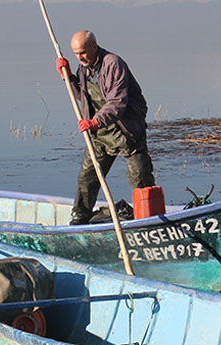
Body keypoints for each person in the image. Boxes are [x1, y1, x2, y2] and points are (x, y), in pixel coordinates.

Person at [56, 30, 155, 225]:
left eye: (83, 52)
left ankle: (150, 220)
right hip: (99, 135)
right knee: (87, 177)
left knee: (140, 179)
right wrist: (67, 77)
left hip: (126, 131)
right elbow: (83, 96)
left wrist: (94, 122)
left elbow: (117, 102)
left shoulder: (113, 64)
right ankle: (80, 219)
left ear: (94, 46)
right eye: (76, 53)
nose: (79, 57)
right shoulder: (84, 68)